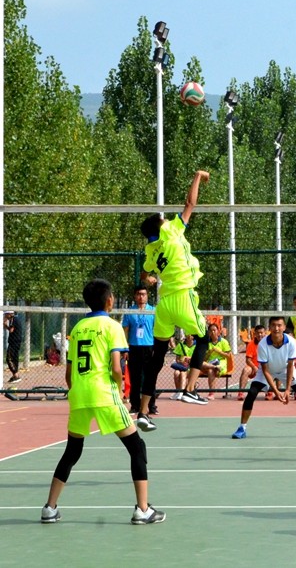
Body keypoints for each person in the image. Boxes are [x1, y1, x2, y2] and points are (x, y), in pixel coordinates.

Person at [40, 278, 165, 525]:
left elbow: (69, 373)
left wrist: (79, 392)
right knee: (137, 447)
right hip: (104, 392)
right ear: (110, 300)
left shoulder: (77, 328)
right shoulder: (112, 326)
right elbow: (117, 368)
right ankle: (143, 510)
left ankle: (49, 508)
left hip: (79, 394)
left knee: (72, 451)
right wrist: (120, 393)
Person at [139, 170, 213, 431]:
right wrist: (198, 176)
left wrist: (149, 279)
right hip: (182, 295)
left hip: (164, 304)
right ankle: (189, 390)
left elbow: (144, 273)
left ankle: (143, 411)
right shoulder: (171, 230)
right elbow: (190, 203)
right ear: (160, 226)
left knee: (157, 357)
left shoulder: (150, 250)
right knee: (204, 338)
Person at [232, 316, 296, 440]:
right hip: (267, 370)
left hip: (286, 369)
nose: (276, 328)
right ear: (269, 327)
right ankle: (242, 428)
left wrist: (287, 390)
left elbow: (290, 366)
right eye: (273, 325)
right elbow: (265, 370)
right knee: (251, 393)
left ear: (284, 327)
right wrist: (276, 391)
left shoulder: (291, 342)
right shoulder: (263, 344)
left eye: (279, 325)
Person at [122, 286, 157, 418]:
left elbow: (157, 330)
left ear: (147, 296)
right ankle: (135, 405)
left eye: (143, 294)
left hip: (149, 347)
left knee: (150, 377)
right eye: (138, 294)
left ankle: (151, 406)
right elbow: (125, 330)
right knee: (135, 378)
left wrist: (156, 348)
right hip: (134, 347)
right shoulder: (129, 311)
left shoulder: (153, 311)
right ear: (135, 296)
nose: (141, 297)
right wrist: (125, 347)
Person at [201, 322, 232, 399]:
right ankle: (191, 391)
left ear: (218, 331)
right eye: (210, 331)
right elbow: (204, 359)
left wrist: (219, 352)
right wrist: (209, 353)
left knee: (211, 370)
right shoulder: (206, 343)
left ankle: (211, 393)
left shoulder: (223, 341)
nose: (212, 332)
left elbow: (228, 356)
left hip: (221, 363)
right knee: (205, 366)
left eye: (214, 330)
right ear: (208, 332)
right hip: (209, 363)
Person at [238, 325, 266, 401]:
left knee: (272, 370)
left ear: (265, 333)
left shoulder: (269, 343)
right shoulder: (251, 344)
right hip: (254, 367)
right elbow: (248, 360)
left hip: (265, 367)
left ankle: (269, 392)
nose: (260, 335)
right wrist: (254, 367)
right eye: (258, 333)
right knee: (245, 370)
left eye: (261, 333)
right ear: (255, 334)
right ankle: (241, 392)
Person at [169, 334, 195, 401]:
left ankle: (181, 392)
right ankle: (177, 392)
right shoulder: (180, 345)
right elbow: (177, 360)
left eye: (191, 335)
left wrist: (189, 358)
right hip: (182, 366)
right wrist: (182, 360)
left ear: (193, 336)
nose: (189, 336)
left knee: (183, 373)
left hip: (191, 368)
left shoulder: (197, 346)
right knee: (176, 373)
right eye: (187, 334)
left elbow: (199, 359)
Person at [4, 311, 23, 384]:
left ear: (9, 314)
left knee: (9, 358)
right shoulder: (15, 319)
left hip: (14, 342)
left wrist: (5, 324)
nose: (5, 316)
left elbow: (11, 330)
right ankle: (15, 375)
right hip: (16, 341)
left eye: (6, 315)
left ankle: (16, 375)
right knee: (15, 358)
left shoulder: (13, 319)